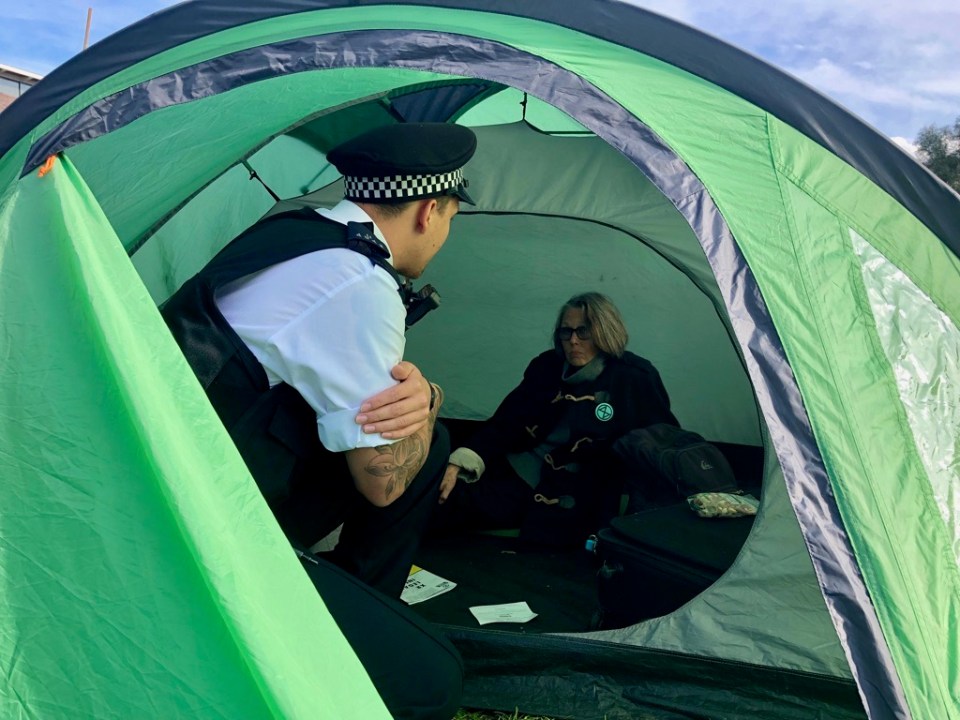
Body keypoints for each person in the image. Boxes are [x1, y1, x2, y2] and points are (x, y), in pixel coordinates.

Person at [162, 122, 477, 720]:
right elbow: (381, 484)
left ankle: (350, 607)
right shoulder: (360, 282)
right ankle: (340, 654)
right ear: (428, 210)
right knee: (430, 678)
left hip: (184, 463)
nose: (442, 237)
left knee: (421, 443)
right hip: (195, 526)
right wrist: (430, 401)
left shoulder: (293, 231)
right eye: (450, 221)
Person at [434, 292, 678, 547]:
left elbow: (660, 442)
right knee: (441, 491)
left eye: (583, 332)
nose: (573, 341)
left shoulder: (634, 377)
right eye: (566, 332)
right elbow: (507, 421)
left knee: (459, 508)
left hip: (568, 487)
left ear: (605, 332)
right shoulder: (547, 366)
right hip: (516, 465)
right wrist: (462, 461)